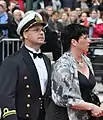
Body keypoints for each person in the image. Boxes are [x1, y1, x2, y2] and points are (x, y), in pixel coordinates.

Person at [0, 11, 51, 120]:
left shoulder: (46, 60)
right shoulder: (12, 61)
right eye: (36, 30)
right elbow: (6, 96)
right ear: (25, 34)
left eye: (42, 30)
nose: (41, 33)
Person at [45, 24, 103, 120]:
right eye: (85, 38)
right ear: (74, 42)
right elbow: (65, 98)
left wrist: (100, 105)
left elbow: (92, 90)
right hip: (64, 116)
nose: (89, 41)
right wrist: (92, 107)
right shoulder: (62, 64)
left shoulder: (86, 60)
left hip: (85, 114)